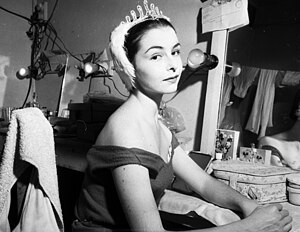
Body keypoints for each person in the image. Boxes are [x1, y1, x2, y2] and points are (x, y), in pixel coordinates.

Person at [72, 1, 292, 231]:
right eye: (156, 56)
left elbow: (204, 183)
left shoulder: (158, 126)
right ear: (130, 67)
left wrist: (249, 206)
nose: (173, 65)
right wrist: (252, 227)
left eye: (175, 52)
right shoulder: (126, 131)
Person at [259, 89, 300, 170]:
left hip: (296, 149)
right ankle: (280, 169)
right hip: (293, 146)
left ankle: (282, 170)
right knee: (265, 141)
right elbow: (290, 134)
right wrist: (266, 139)